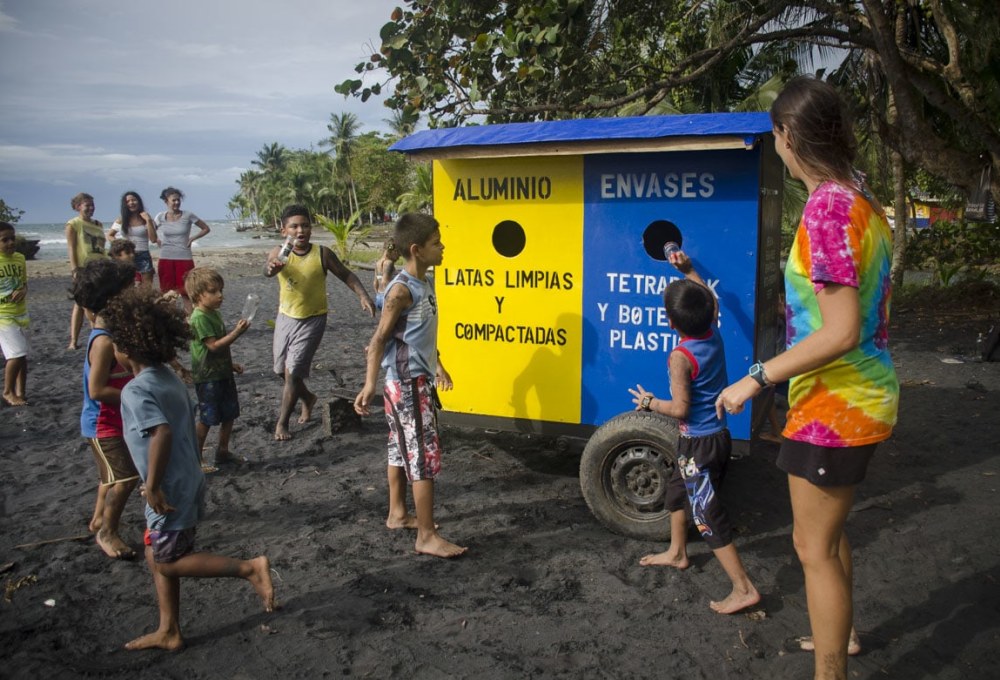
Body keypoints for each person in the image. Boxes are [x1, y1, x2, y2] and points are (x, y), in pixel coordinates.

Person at [716, 76, 898, 680]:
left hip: (836, 404)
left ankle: (829, 673)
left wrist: (755, 378)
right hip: (852, 396)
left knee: (810, 548)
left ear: (787, 135)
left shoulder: (827, 208)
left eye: (776, 136)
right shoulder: (860, 199)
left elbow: (841, 330)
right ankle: (837, 643)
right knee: (827, 534)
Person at [100, 286, 275, 651]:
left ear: (126, 349)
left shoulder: (135, 390)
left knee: (169, 562)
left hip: (167, 487)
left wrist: (152, 484)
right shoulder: (168, 377)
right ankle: (169, 629)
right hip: (188, 478)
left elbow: (160, 433)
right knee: (156, 552)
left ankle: (249, 568)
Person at [629, 249, 759, 614]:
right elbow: (710, 300)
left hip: (699, 445)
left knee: (707, 517)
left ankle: (743, 587)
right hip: (712, 439)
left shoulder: (681, 357)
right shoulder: (713, 333)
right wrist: (688, 270)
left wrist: (649, 403)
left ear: (670, 322)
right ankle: (676, 552)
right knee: (676, 491)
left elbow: (681, 409)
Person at [354, 213, 467, 559]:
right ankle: (426, 535)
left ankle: (398, 514)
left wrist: (439, 367)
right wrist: (369, 384)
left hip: (413, 380)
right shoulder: (401, 291)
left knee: (398, 448)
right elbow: (377, 341)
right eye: (436, 242)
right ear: (417, 250)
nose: (443, 246)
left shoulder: (425, 282)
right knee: (422, 455)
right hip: (406, 385)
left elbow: (421, 336)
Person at [264, 204, 375, 440]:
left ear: (311, 229)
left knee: (293, 373)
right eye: (294, 226)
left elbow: (347, 274)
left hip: (313, 319)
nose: (300, 230)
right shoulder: (279, 252)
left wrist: (363, 295)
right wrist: (273, 267)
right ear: (284, 231)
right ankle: (308, 397)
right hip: (286, 317)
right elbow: (269, 271)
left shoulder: (322, 254)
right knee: (279, 370)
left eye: (305, 225)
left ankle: (282, 423)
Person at [72, 258, 141, 560]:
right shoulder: (101, 341)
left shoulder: (115, 332)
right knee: (125, 478)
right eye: (128, 291)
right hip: (102, 425)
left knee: (112, 476)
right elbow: (97, 390)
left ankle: (99, 518)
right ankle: (107, 531)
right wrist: (134, 397)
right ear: (112, 299)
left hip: (118, 420)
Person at [184, 267, 249, 470]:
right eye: (213, 291)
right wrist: (236, 333)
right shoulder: (200, 318)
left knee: (229, 414)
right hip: (207, 377)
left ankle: (223, 451)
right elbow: (212, 346)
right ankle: (196, 457)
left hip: (221, 373)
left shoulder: (213, 313)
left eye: (221, 290)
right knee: (207, 418)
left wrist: (231, 365)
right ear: (198, 295)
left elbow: (218, 347)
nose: (219, 295)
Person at [154, 187, 210, 314]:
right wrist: (157, 240)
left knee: (187, 291)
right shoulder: (160, 217)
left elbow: (206, 228)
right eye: (173, 200)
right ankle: (171, 321)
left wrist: (192, 238)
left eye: (178, 200)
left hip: (184, 258)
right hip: (166, 257)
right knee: (167, 292)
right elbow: (149, 232)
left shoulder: (188, 215)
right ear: (166, 201)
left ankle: (191, 320)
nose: (177, 203)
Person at [65, 192, 108, 349]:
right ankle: (74, 341)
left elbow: (102, 248)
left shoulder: (98, 224)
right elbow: (71, 247)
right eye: (87, 205)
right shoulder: (73, 224)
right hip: (84, 267)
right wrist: (75, 269)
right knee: (80, 303)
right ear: (78, 207)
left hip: (99, 267)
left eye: (92, 205)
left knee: (97, 301)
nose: (91, 208)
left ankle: (96, 335)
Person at [0, 221, 29, 407]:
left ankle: (21, 391)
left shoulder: (19, 258)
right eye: (4, 240)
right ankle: (8, 392)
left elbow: (24, 283)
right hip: (3, 315)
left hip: (21, 313)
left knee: (23, 355)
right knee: (16, 354)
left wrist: (24, 290)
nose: (10, 242)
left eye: (12, 238)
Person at [107, 191, 158, 287]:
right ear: (125, 204)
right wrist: (120, 244)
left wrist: (148, 220)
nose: (131, 203)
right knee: (127, 284)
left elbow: (153, 239)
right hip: (126, 255)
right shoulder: (121, 219)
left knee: (147, 285)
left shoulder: (146, 218)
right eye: (128, 201)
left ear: (138, 201)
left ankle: (144, 302)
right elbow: (109, 235)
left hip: (143, 254)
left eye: (133, 200)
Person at [372, 238, 399, 310]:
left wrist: (378, 295)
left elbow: (375, 283)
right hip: (387, 297)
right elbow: (385, 282)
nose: (399, 257)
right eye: (398, 253)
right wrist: (392, 297)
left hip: (379, 297)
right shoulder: (389, 263)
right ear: (393, 251)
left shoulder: (377, 263)